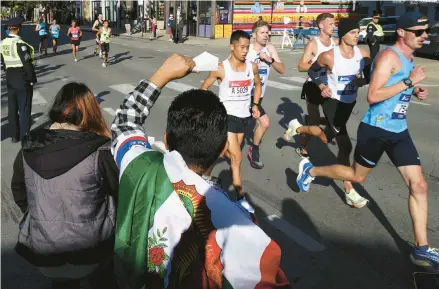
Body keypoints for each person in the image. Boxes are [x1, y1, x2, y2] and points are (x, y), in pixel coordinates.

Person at [111, 53, 290, 289]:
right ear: (224, 149)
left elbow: (125, 123)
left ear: (166, 140)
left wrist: (161, 75)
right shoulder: (236, 218)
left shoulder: (141, 166)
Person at [296, 12, 439, 269]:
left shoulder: (407, 57)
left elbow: (386, 83)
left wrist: (413, 89)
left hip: (398, 131)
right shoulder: (387, 57)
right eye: (419, 32)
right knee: (356, 175)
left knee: (419, 185)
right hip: (375, 130)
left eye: (425, 32)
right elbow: (373, 96)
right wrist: (408, 81)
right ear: (402, 32)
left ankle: (422, 248)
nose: (424, 36)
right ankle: (311, 169)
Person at [12, 82, 119, 289]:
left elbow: (19, 191)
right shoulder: (100, 151)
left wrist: (41, 216)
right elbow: (121, 194)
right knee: (105, 276)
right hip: (93, 252)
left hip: (45, 254)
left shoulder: (29, 147)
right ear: (90, 113)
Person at [288, 18, 370, 208]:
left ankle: (299, 128)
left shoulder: (363, 54)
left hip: (348, 104)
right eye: (353, 32)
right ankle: (348, 190)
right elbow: (314, 70)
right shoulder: (329, 56)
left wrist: (362, 81)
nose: (357, 35)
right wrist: (322, 85)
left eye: (358, 32)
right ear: (343, 34)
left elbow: (370, 75)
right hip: (332, 102)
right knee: (340, 144)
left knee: (335, 142)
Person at [201, 30, 261, 211]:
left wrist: (255, 104)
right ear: (231, 47)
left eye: (247, 48)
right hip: (227, 117)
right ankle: (240, 197)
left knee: (228, 153)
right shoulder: (221, 68)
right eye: (242, 47)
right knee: (237, 158)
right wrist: (210, 108)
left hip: (244, 118)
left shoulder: (252, 67)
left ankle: (210, 164)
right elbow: (204, 88)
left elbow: (258, 85)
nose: (245, 51)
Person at [295, 13, 338, 158]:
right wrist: (320, 65)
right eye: (330, 24)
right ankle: (303, 144)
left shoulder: (336, 43)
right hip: (313, 86)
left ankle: (309, 122)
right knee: (314, 125)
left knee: (335, 120)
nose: (334, 26)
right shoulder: (313, 44)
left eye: (334, 24)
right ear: (321, 25)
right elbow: (301, 66)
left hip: (330, 87)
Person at [246, 20, 285, 169]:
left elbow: (281, 69)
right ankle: (253, 150)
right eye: (262, 33)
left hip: (258, 96)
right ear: (254, 35)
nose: (265, 36)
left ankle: (251, 148)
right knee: (264, 122)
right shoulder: (247, 49)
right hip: (245, 95)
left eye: (267, 33)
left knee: (251, 124)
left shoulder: (270, 49)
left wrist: (270, 59)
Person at [0, 17, 36, 144]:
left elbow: (3, 62)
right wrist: (32, 79)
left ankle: (14, 135)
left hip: (10, 78)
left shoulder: (3, 43)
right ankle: (25, 137)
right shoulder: (20, 44)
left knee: (12, 108)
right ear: (19, 28)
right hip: (22, 78)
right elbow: (27, 64)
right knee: (24, 108)